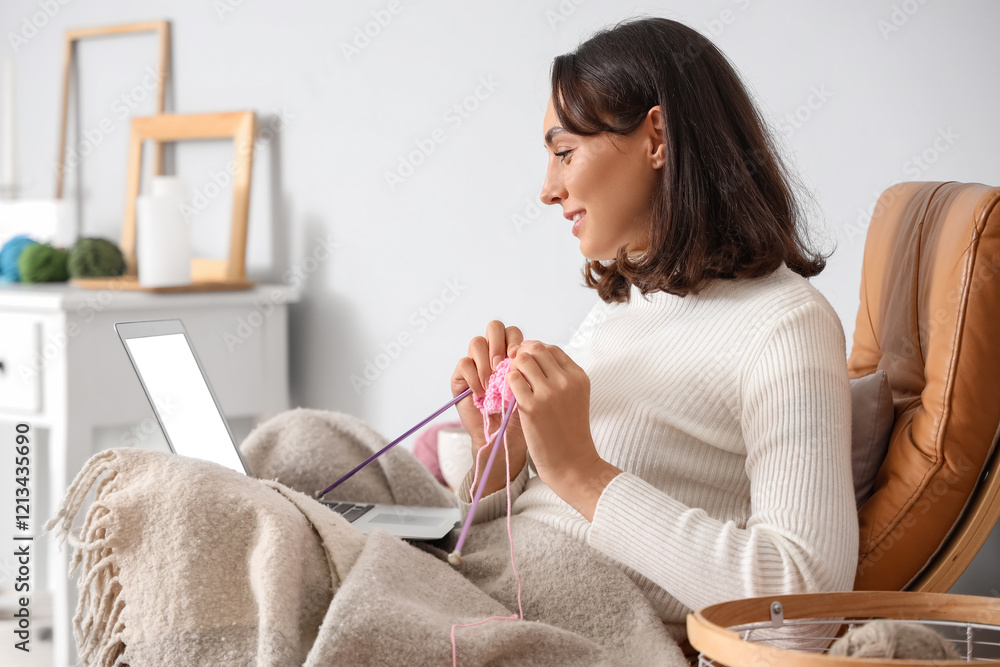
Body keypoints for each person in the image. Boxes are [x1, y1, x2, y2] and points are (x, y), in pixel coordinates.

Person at [449, 16, 859, 641]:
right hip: (486, 586)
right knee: (309, 462)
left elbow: (803, 607)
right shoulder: (631, 303)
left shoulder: (785, 326)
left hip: (551, 625)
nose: (548, 189)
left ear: (657, 138)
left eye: (564, 152)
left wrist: (582, 473)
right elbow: (536, 516)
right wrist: (504, 462)